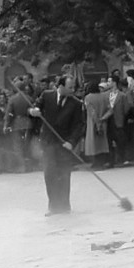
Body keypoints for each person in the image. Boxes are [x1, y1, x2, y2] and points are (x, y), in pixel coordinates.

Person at [29, 75, 84, 216]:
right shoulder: (47, 96)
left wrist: (71, 142)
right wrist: (33, 111)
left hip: (65, 144)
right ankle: (53, 206)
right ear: (60, 86)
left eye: (73, 87)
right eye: (70, 87)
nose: (73, 90)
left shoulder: (76, 104)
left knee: (64, 174)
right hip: (48, 142)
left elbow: (79, 125)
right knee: (50, 173)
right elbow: (34, 107)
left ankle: (64, 205)